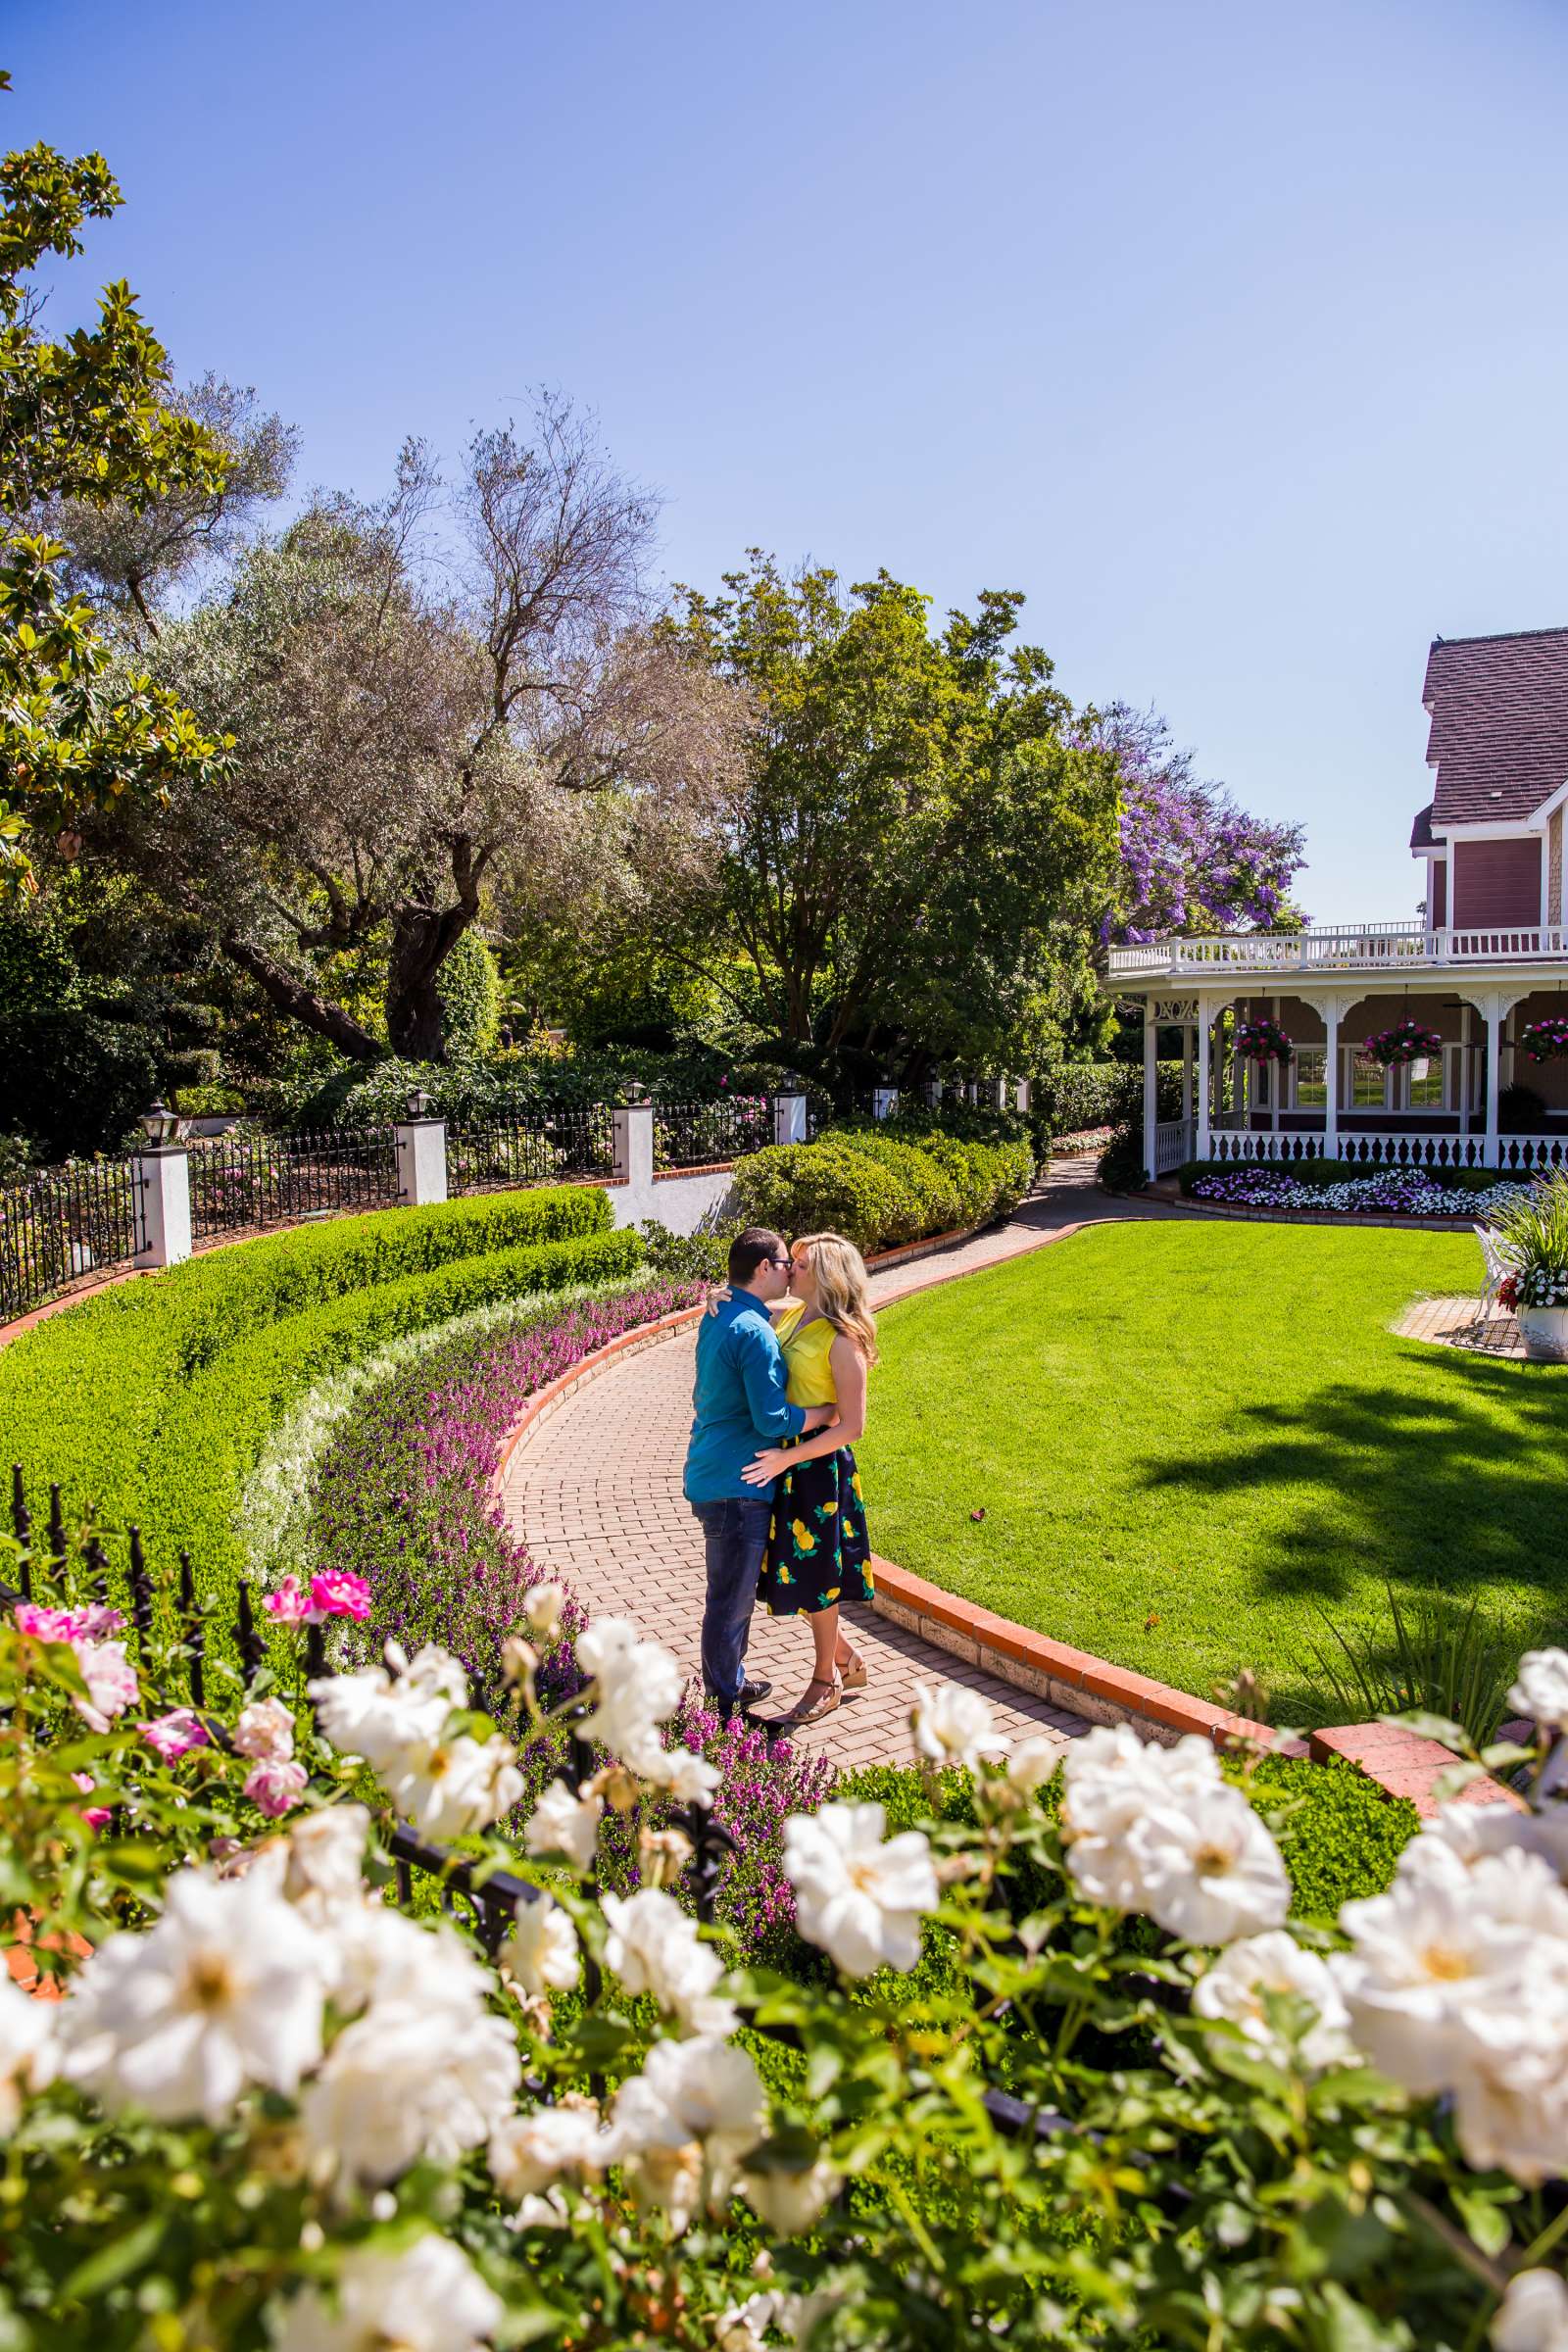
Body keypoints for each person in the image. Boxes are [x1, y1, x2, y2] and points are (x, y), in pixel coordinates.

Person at [683, 1226, 839, 1721]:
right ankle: (725, 1696)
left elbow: (772, 1311)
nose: (791, 1270)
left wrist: (715, 1291)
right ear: (764, 1269)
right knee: (730, 1598)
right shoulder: (753, 1332)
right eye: (783, 1261)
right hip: (739, 1483)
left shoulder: (723, 1312)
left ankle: (731, 1680)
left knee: (728, 1591)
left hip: (713, 1469)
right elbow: (772, 1418)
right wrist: (822, 1415)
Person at [741, 1230, 877, 1725]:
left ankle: (826, 1681)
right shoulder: (795, 1315)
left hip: (817, 1471)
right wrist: (720, 1298)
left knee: (816, 1577)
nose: (786, 1270)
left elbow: (852, 1426)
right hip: (786, 1460)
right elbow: (750, 1309)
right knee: (794, 1570)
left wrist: (786, 1460)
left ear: (824, 1276)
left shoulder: (844, 1341)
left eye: (797, 1265)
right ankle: (845, 1656)